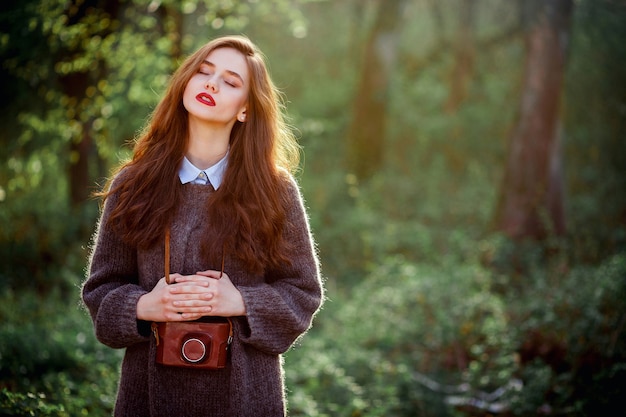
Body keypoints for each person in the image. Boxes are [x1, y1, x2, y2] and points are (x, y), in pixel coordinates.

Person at [81, 35, 324, 417]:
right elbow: (100, 293)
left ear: (245, 109)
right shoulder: (133, 183)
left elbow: (303, 294)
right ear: (185, 84)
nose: (211, 83)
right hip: (147, 396)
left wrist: (241, 301)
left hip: (244, 398)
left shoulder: (275, 190)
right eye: (203, 72)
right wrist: (146, 305)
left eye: (230, 81)